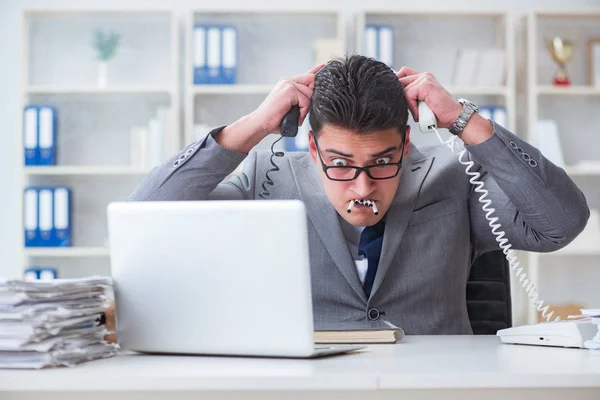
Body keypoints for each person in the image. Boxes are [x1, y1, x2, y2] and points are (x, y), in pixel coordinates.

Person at [126, 55, 589, 334]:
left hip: (437, 386)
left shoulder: (452, 179)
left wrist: (465, 120)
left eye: (383, 162)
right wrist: (255, 126)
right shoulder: (265, 179)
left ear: (406, 144)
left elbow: (561, 222)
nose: (363, 187)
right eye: (341, 165)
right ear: (312, 147)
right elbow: (144, 220)